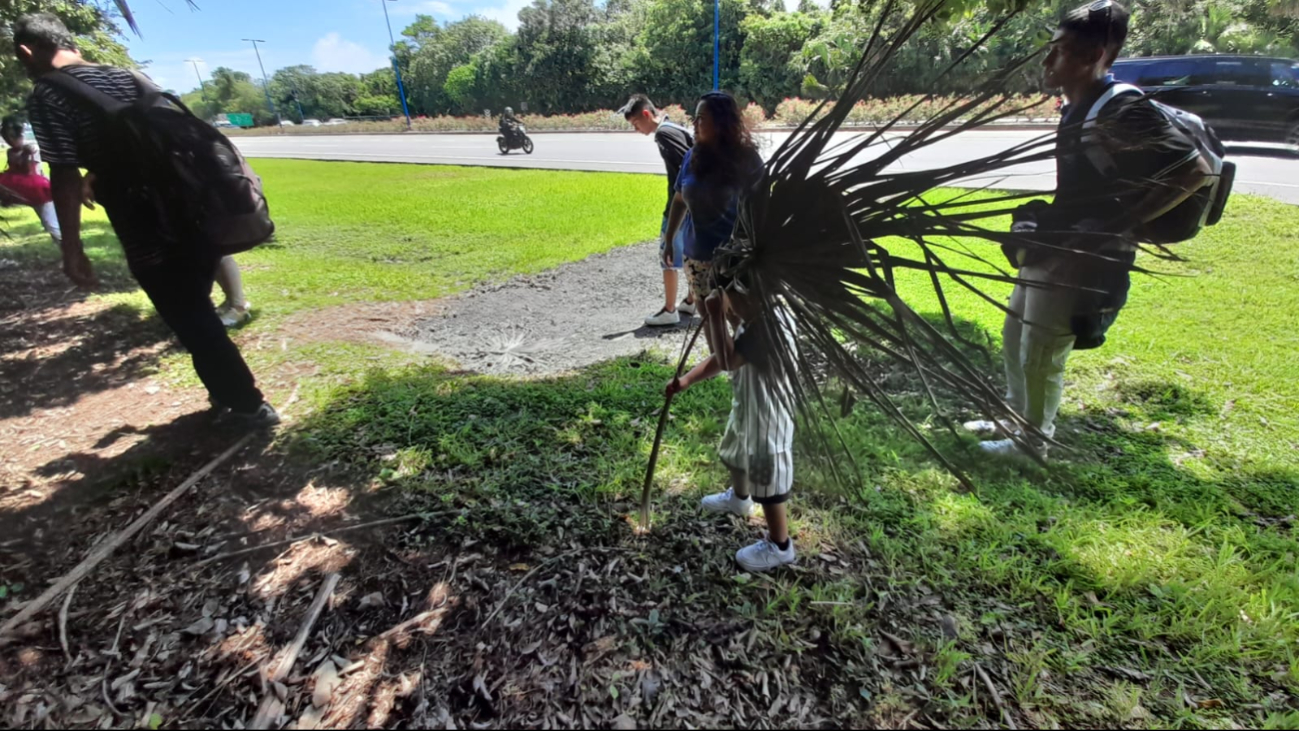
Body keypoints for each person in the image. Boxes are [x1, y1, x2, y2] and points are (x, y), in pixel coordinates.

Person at [967, 0, 1209, 459]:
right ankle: (1015, 419)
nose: (1047, 60)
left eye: (1058, 50)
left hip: (1088, 251)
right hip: (1059, 239)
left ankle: (1032, 444)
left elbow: (1192, 171)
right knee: (1017, 334)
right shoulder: (1078, 105)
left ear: (1094, 53)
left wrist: (1113, 229)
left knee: (1043, 350)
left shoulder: (1120, 107)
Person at [14, 12, 278, 426]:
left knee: (188, 312)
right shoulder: (128, 76)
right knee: (194, 305)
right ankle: (227, 394)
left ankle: (247, 405)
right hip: (197, 205)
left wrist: (72, 247)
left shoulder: (48, 94)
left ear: (26, 52)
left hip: (147, 221)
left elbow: (62, 173)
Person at [666, 278, 798, 573]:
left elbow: (727, 359)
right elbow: (726, 356)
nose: (728, 309)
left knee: (768, 482)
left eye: (730, 301)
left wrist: (713, 315)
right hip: (748, 409)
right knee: (736, 454)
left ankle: (780, 545)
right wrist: (687, 379)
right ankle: (739, 500)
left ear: (750, 296)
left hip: (767, 421)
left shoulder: (769, 327)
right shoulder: (758, 317)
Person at [662, 91, 764, 350]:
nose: (694, 125)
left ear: (721, 123)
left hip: (734, 261)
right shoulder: (692, 157)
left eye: (700, 118)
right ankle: (723, 368)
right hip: (696, 258)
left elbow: (762, 207)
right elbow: (679, 200)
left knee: (741, 320)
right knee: (710, 320)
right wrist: (669, 238)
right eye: (693, 118)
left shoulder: (747, 160)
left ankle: (750, 371)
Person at [619, 94, 696, 327]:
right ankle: (691, 300)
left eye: (636, 124)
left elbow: (686, 168)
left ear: (646, 114)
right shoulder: (675, 127)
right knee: (690, 254)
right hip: (693, 205)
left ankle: (669, 309)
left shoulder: (664, 134)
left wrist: (680, 206)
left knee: (669, 255)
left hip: (680, 206)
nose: (637, 130)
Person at [0, 115, 61, 244]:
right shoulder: (10, 152)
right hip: (25, 192)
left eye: (13, 136)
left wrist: (26, 153)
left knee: (51, 224)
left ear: (20, 134)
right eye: (6, 137)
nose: (10, 140)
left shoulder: (32, 148)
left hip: (39, 192)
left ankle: (72, 253)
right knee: (49, 224)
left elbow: (28, 170)